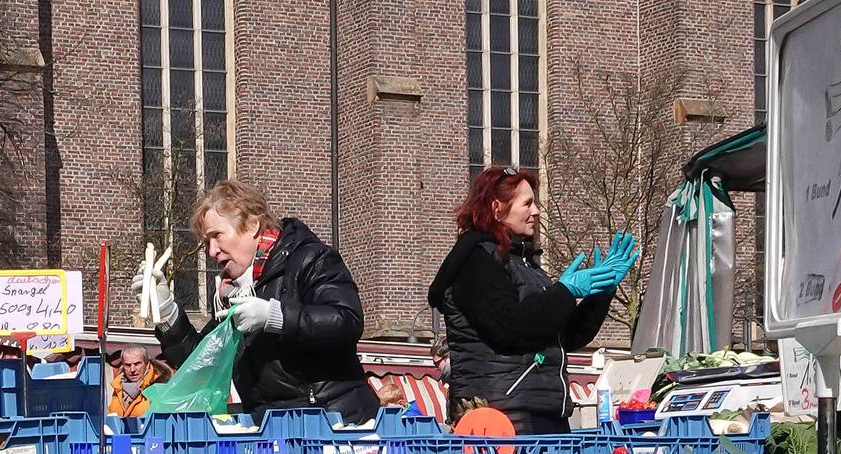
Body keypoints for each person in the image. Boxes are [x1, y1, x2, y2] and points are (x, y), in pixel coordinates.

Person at [136, 180, 381, 419]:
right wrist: (167, 313)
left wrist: (275, 316)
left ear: (252, 225)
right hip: (271, 432)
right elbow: (203, 366)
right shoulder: (232, 291)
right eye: (206, 242)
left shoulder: (310, 258)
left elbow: (347, 321)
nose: (211, 251)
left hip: (334, 421)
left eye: (217, 236)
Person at [428, 166, 636, 435]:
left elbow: (567, 336)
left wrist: (600, 293)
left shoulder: (524, 264)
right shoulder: (476, 261)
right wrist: (565, 291)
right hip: (501, 418)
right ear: (497, 208)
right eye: (527, 203)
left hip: (542, 409)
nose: (536, 211)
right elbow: (509, 327)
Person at [106, 346, 167, 417]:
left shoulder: (159, 387)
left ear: (146, 364)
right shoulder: (118, 386)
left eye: (137, 364)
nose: (132, 370)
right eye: (128, 365)